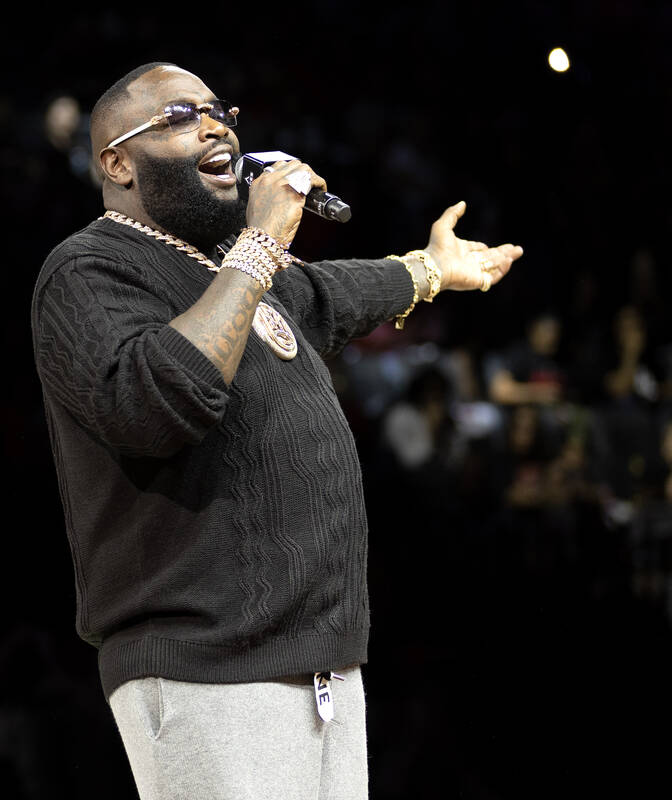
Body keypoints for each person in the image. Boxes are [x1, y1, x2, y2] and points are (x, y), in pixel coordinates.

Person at [29, 62, 523, 800]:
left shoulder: (227, 269)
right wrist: (259, 244)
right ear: (117, 163)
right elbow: (162, 399)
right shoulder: (86, 269)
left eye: (219, 111)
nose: (215, 126)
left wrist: (429, 269)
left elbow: (329, 294)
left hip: (319, 661)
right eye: (179, 117)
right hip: (205, 661)